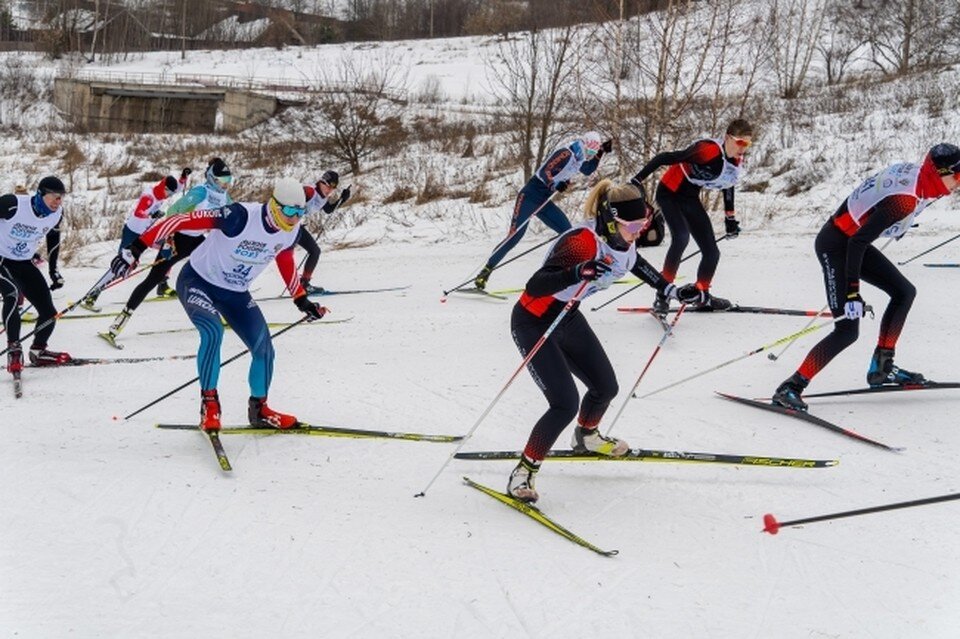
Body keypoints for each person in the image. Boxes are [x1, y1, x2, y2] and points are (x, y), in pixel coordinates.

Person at [505, 179, 698, 502]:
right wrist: (577, 271)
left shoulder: (624, 239)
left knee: (605, 387)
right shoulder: (582, 241)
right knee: (563, 403)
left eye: (644, 223)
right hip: (534, 320)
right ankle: (523, 472)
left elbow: (636, 265)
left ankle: (587, 436)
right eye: (634, 225)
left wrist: (672, 291)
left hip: (566, 316)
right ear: (612, 220)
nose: (640, 231)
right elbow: (535, 284)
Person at [110, 177, 328, 431]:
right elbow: (177, 220)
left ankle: (259, 410)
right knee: (213, 331)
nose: (295, 218)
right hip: (198, 282)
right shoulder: (240, 216)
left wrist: (301, 299)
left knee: (264, 348)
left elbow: (285, 257)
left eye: (301, 212)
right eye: (290, 211)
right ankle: (210, 405)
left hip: (235, 292)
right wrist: (136, 247)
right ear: (274, 205)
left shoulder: (291, 232)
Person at [772, 143, 960, 412]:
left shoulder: (920, 179)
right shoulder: (904, 200)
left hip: (851, 239)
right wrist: (852, 292)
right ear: (938, 172)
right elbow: (858, 241)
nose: (958, 184)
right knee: (847, 330)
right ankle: (790, 387)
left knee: (904, 292)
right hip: (837, 244)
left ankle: (882, 367)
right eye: (957, 176)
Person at [99, 158, 233, 347]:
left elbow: (232, 216)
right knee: (153, 279)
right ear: (212, 179)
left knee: (216, 271)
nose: (225, 185)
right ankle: (120, 321)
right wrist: (173, 231)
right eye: (222, 181)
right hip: (178, 240)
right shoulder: (200, 192)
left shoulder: (225, 197)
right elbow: (173, 211)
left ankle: (223, 314)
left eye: (229, 181)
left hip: (198, 241)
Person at [630, 118, 753, 314]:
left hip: (689, 197)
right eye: (740, 142)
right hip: (669, 192)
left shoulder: (735, 162)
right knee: (681, 238)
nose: (743, 148)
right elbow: (665, 157)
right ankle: (663, 295)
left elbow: (728, 186)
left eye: (747, 144)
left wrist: (730, 219)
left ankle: (702, 294)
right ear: (728, 138)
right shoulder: (707, 150)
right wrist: (636, 180)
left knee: (712, 251)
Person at [473, 132, 612, 291]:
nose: (590, 155)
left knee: (567, 232)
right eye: (590, 151)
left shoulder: (579, 158)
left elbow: (587, 169)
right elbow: (545, 171)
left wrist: (601, 152)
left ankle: (562, 275)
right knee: (514, 236)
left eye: (592, 153)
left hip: (544, 200)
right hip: (529, 196)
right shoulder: (567, 153)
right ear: (585, 144)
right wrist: (555, 185)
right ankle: (485, 272)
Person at [81, 168, 191, 313]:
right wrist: (152, 215)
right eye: (168, 193)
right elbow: (138, 213)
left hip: (147, 234)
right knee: (122, 265)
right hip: (132, 233)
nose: (169, 196)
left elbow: (179, 187)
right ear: (163, 187)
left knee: (168, 248)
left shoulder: (165, 191)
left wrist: (184, 176)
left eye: (171, 193)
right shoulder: (149, 196)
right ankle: (93, 294)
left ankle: (162, 284)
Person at [0, 176, 72, 371]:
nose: (58, 202)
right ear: (41, 195)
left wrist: (53, 270)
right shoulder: (12, 204)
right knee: (13, 295)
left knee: (48, 311)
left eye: (61, 198)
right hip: (2, 260)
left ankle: (38, 351)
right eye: (55, 197)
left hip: (24, 261)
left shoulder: (56, 214)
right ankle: (14, 350)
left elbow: (54, 241)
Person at [297, 170, 352, 295]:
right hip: (285, 225)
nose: (329, 190)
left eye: (333, 188)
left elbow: (328, 210)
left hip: (295, 227)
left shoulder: (323, 197)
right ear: (322, 182)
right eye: (328, 186)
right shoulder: (309, 191)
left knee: (315, 251)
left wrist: (342, 199)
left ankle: (304, 284)